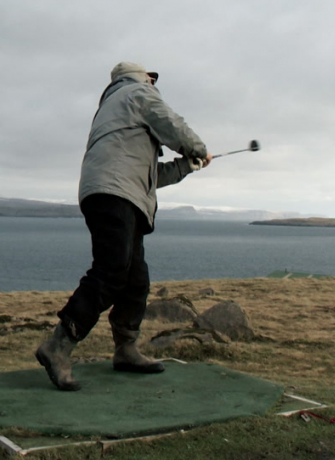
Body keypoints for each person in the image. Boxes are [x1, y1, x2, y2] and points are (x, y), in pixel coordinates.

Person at [36, 61, 211, 391]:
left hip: (113, 192)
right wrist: (198, 149)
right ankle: (58, 346)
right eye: (151, 78)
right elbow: (172, 124)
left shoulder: (115, 111)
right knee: (111, 272)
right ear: (143, 78)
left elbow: (147, 176)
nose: (154, 83)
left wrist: (188, 165)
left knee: (135, 278)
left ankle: (126, 350)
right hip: (116, 195)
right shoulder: (137, 93)